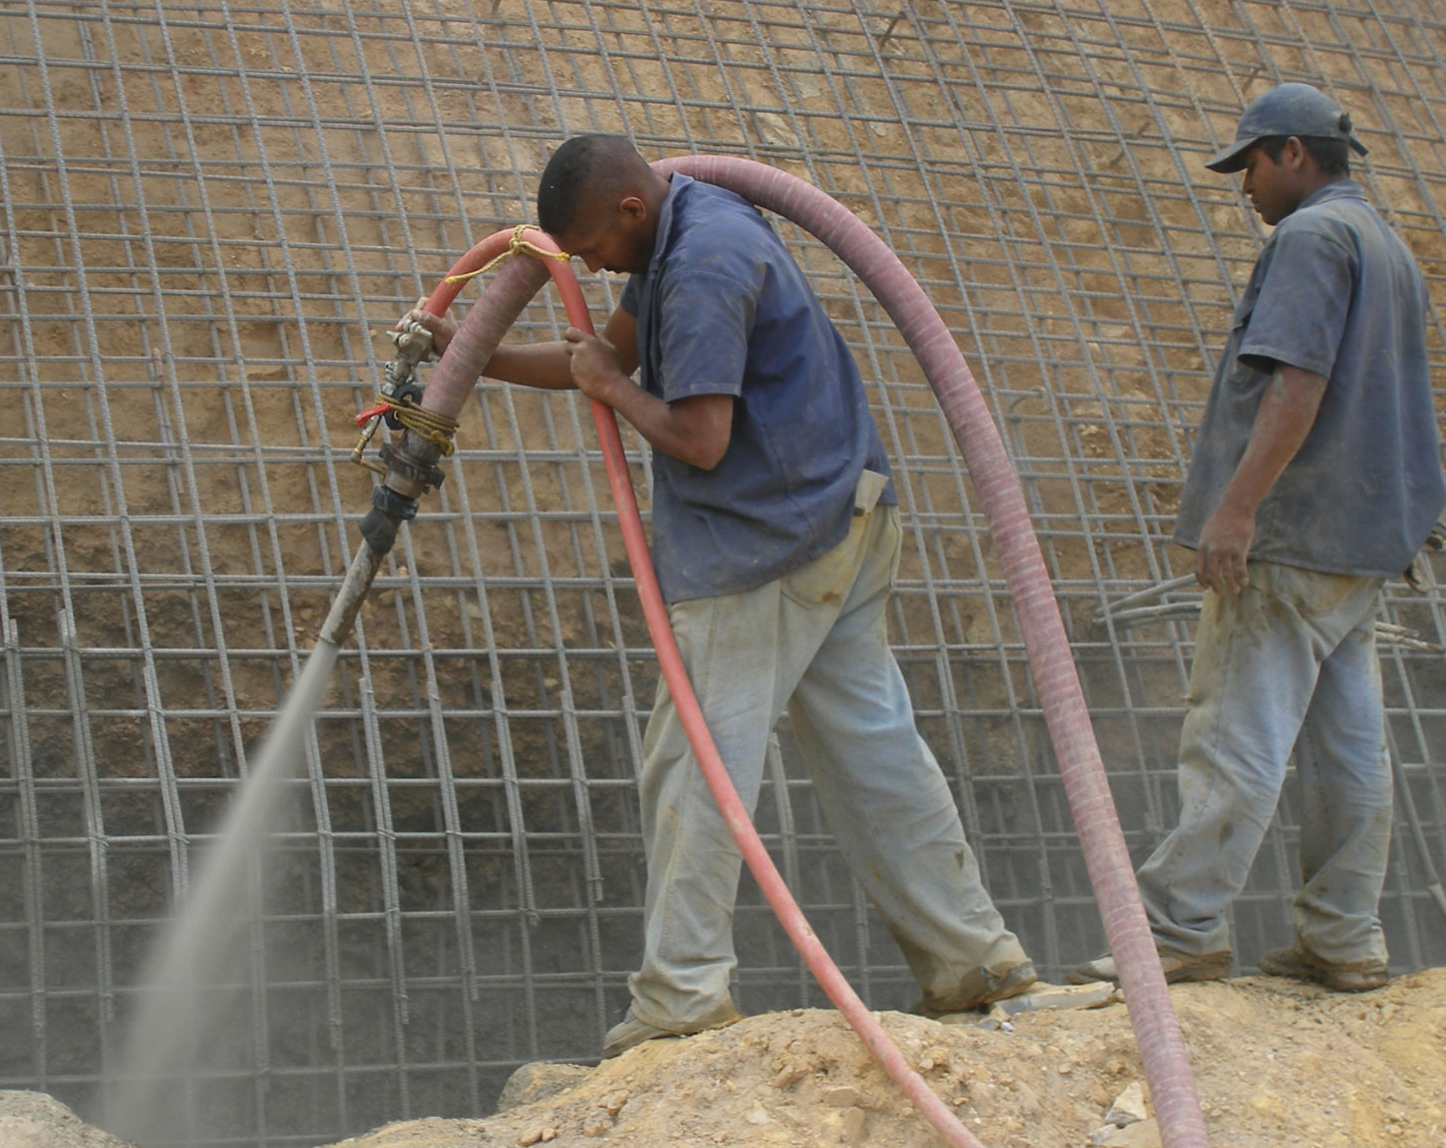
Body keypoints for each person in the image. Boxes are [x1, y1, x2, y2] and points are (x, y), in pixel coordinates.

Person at [409, 134, 1035, 1057]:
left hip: (769, 544)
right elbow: (598, 352)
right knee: (876, 754)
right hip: (840, 515)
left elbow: (697, 437)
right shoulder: (682, 226)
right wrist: (474, 352)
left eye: (589, 248)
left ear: (629, 210)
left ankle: (682, 996)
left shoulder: (700, 265)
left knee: (694, 766)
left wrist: (613, 389)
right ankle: (976, 963)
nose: (586, 267)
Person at [1068, 84, 1445, 994]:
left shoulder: (1312, 240)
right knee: (1349, 743)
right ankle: (1343, 934)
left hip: (1293, 530)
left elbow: (1297, 384)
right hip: (1364, 536)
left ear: (1290, 153)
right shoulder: (1386, 246)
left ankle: (1179, 926)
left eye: (1250, 167)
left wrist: (1235, 511)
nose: (1243, 189)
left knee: (1236, 730)